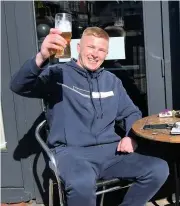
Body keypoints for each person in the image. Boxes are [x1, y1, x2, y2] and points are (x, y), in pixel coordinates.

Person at [10, 27, 169, 206]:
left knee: (158, 169)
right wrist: (42, 56)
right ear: (79, 48)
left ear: (107, 53)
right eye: (91, 47)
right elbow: (19, 86)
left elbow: (131, 113)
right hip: (72, 154)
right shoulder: (57, 74)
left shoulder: (112, 81)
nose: (95, 54)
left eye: (101, 50)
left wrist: (131, 137)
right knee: (81, 183)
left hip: (111, 153)